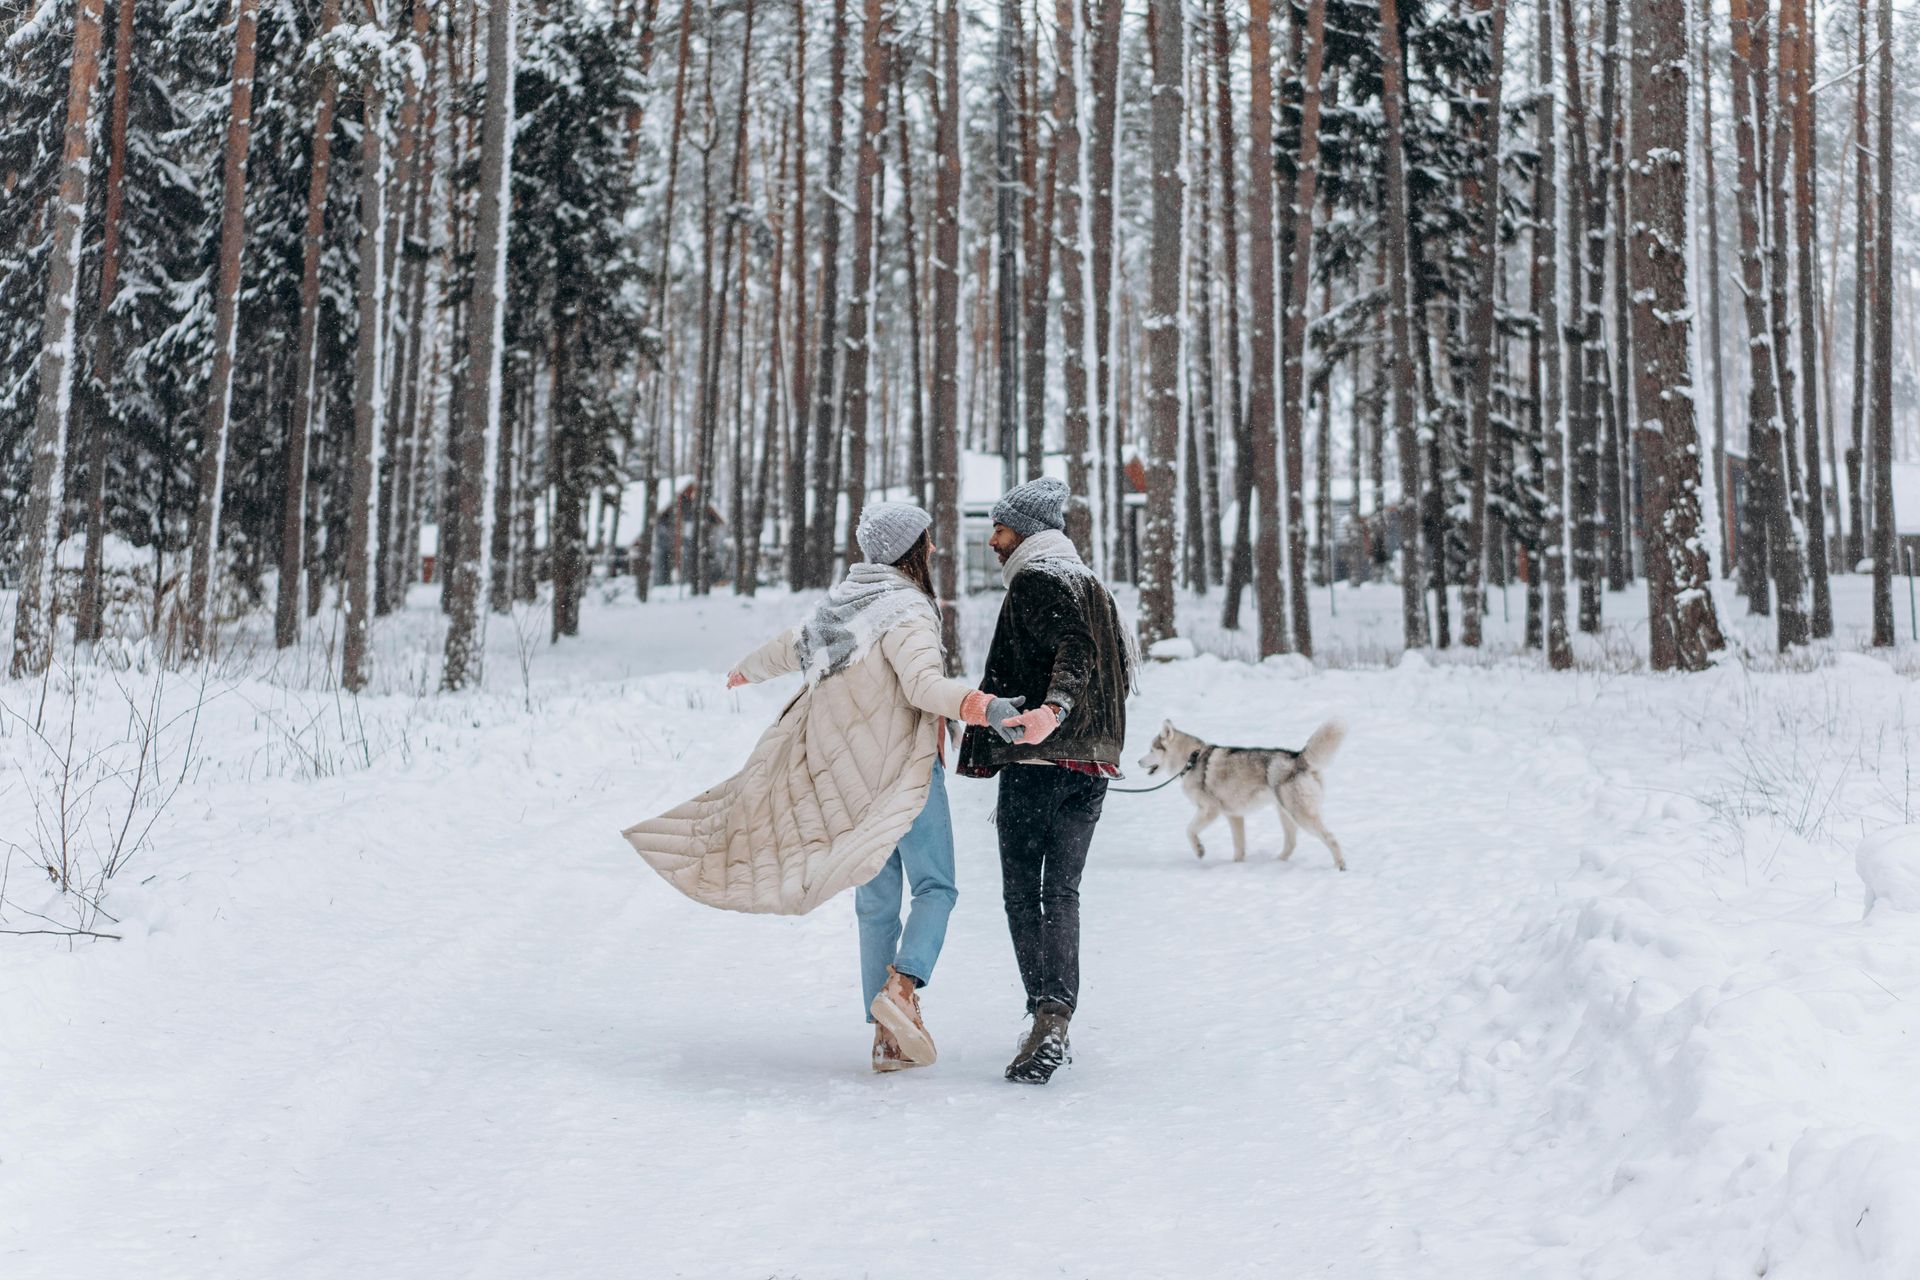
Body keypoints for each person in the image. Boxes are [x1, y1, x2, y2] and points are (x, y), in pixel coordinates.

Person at [623, 502, 1024, 1073]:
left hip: (852, 784)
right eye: (927, 542)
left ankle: (885, 1040)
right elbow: (921, 685)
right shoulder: (906, 610)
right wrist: (983, 707)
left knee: (877, 902)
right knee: (937, 887)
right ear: (910, 550)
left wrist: (745, 669)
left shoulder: (845, 604)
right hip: (904, 774)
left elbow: (791, 646)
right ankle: (904, 990)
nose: (934, 550)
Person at [958, 477, 1133, 1084]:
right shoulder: (1091, 584)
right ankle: (1054, 1012)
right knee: (1061, 893)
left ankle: (1047, 1016)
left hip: (1040, 762)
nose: (993, 543)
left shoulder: (1039, 579)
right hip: (1092, 767)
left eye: (1000, 530)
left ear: (1026, 533)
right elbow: (1104, 662)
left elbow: (1075, 648)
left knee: (1021, 893)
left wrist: (1050, 711)